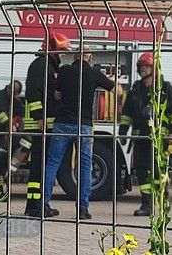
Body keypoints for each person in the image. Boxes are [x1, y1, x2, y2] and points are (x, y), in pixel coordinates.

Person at [43, 50, 116, 220]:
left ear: (75, 57)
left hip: (62, 123)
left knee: (53, 163)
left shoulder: (64, 71)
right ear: (90, 58)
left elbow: (57, 95)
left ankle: (44, 204)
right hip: (84, 126)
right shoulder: (94, 73)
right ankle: (82, 209)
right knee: (85, 166)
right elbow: (115, 90)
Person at [118, 51, 172, 217]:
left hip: (160, 138)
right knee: (141, 172)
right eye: (141, 66)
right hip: (140, 138)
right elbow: (127, 112)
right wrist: (123, 131)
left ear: (154, 68)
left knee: (159, 172)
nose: (143, 69)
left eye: (146, 66)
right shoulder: (136, 89)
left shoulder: (166, 89)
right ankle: (146, 205)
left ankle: (163, 203)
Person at [23, 30, 70, 217]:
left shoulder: (49, 66)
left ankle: (37, 204)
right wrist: (39, 117)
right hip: (40, 125)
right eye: (61, 51)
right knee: (38, 167)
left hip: (45, 124)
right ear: (52, 48)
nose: (63, 55)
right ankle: (35, 206)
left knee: (42, 166)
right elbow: (33, 93)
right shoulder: (40, 66)